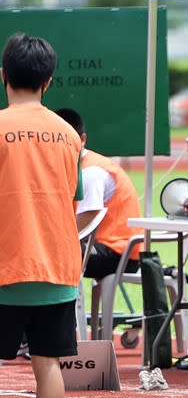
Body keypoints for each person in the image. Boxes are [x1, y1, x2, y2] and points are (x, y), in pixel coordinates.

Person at [0, 33, 84, 398]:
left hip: (5, 265)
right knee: (47, 365)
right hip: (56, 265)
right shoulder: (68, 134)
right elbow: (72, 198)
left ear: (3, 76)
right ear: (48, 81)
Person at [55, 108, 144, 280]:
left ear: (82, 140)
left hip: (119, 253)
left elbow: (88, 218)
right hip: (103, 247)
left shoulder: (91, 171)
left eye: (67, 141)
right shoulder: (76, 167)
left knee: (51, 253)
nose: (61, 148)